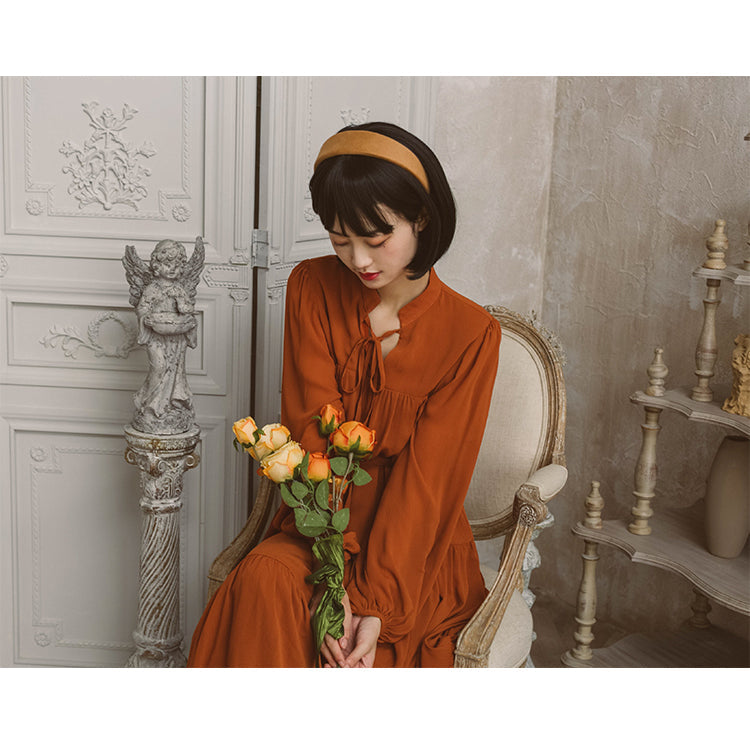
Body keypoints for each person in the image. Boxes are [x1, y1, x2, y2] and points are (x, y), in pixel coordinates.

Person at [187, 122, 501, 668]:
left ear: (422, 218)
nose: (359, 260)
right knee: (264, 580)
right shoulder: (311, 287)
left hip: (411, 550)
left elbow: (428, 484)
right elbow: (310, 428)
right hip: (321, 529)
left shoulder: (472, 335)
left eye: (376, 239)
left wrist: (374, 604)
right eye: (339, 239)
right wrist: (334, 578)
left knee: (359, 653)